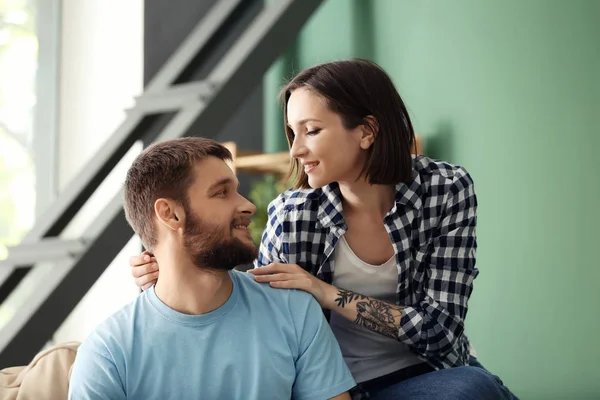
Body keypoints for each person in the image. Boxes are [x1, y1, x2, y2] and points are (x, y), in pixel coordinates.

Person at [130, 59, 517, 400]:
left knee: (471, 389)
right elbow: (258, 317)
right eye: (292, 133)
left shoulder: (446, 189)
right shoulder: (293, 215)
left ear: (366, 131)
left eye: (311, 131)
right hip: (335, 387)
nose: (296, 149)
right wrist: (169, 270)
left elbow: (441, 331)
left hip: (434, 374)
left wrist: (326, 293)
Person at [69, 137, 355, 400]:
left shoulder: (293, 310)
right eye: (222, 193)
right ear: (170, 214)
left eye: (237, 191)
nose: (248, 206)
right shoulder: (107, 354)